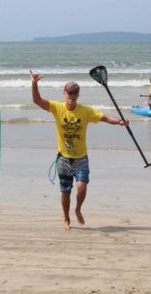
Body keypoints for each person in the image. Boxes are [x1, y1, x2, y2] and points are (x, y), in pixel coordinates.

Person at [30, 71, 129, 231]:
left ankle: (78, 209)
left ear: (78, 94)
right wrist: (34, 83)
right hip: (63, 159)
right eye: (69, 92)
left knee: (82, 188)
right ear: (64, 93)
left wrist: (119, 122)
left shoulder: (86, 111)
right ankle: (66, 217)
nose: (72, 95)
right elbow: (37, 100)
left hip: (81, 158)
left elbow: (104, 118)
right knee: (65, 193)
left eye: (75, 92)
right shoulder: (57, 108)